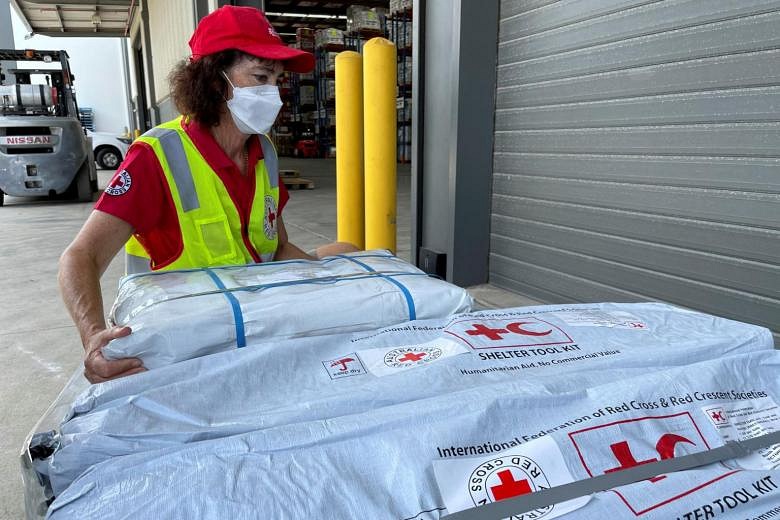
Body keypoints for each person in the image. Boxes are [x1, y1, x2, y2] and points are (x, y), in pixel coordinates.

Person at [58, 6, 358, 383]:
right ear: (215, 81)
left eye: (277, 81)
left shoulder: (262, 151)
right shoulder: (157, 154)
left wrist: (338, 284)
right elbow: (79, 257)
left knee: (347, 252)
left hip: (254, 319)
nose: (274, 94)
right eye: (261, 77)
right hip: (183, 337)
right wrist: (93, 339)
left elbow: (278, 248)